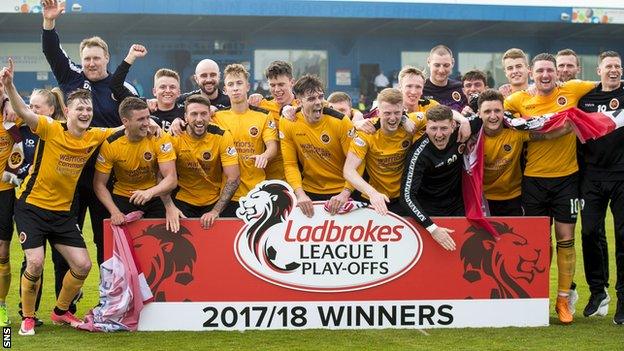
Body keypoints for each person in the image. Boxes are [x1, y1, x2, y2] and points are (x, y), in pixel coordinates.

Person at [2, 58, 122, 336]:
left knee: (83, 265)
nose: (85, 113)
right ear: (67, 111)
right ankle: (28, 318)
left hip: (62, 214)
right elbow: (23, 110)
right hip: (31, 208)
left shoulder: (94, 135)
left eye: (88, 109)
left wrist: (151, 122)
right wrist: (9, 86)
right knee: (34, 262)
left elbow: (124, 128)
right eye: (79, 108)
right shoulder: (50, 128)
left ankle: (60, 311)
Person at [504, 53, 597, 324]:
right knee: (537, 244)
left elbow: (605, 84)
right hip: (532, 180)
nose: (545, 75)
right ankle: (536, 300)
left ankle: (563, 301)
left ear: (557, 72)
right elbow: (499, 117)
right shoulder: (518, 100)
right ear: (532, 73)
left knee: (566, 240)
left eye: (550, 70)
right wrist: (542, 133)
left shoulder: (573, 89)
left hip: (567, 179)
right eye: (540, 71)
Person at [41, 0, 134, 266]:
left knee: (106, 239)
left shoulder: (121, 87)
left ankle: (108, 301)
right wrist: (49, 22)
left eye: (96, 58)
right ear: (81, 61)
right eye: (87, 59)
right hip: (69, 174)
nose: (91, 63)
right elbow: (52, 51)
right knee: (64, 239)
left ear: (107, 58)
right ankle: (65, 302)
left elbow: (135, 122)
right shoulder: (71, 77)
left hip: (106, 176)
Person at [577, 50, 624, 324]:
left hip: (621, 176)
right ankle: (598, 291)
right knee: (590, 232)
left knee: (622, 236)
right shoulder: (587, 100)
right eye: (609, 67)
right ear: (599, 71)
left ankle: (623, 299)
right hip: (592, 178)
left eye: (618, 66)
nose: (614, 70)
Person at [400, 104, 481, 251]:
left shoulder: (461, 130)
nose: (438, 135)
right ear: (426, 128)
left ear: (452, 125)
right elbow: (406, 197)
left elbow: (487, 114)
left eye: (444, 128)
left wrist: (465, 121)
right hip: (429, 217)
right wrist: (432, 228)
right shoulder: (419, 154)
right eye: (433, 129)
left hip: (459, 211)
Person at [479, 89, 571, 216]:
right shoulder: (472, 138)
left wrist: (569, 126)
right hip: (483, 199)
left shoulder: (516, 133)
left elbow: (545, 136)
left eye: (497, 111)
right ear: (479, 113)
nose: (493, 116)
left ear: (504, 112)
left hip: (514, 198)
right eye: (487, 111)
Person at [279, 74, 357, 217]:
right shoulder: (288, 122)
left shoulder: (340, 121)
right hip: (309, 192)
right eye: (311, 99)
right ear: (298, 102)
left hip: (343, 191)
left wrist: (345, 193)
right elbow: (290, 164)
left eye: (320, 97)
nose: (318, 102)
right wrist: (300, 194)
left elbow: (357, 162)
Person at [93, 97, 177, 227]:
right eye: (140, 119)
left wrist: (149, 192)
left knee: (159, 242)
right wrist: (115, 212)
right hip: (124, 197)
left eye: (147, 117)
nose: (146, 123)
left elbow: (171, 179)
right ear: (125, 122)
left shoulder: (159, 137)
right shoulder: (111, 144)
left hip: (154, 195)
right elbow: (99, 184)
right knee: (127, 244)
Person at [167, 94, 240, 229]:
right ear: (185, 117)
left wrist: (216, 211)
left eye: (203, 114)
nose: (199, 119)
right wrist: (169, 207)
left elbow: (233, 178)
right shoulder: (174, 137)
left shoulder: (222, 135)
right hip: (183, 200)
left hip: (214, 200)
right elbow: (163, 176)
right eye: (194, 114)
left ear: (209, 116)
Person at [213, 64, 277, 216]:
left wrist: (264, 156)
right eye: (231, 84)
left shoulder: (263, 115)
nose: (235, 88)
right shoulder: (216, 117)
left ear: (248, 86)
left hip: (257, 193)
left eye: (239, 83)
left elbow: (272, 147)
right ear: (225, 90)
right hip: (228, 194)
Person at [343, 88, 419, 216]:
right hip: (374, 198)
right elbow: (348, 171)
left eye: (397, 113)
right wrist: (373, 193)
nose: (393, 118)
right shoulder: (366, 132)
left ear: (403, 111)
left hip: (403, 198)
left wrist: (463, 121)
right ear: (378, 112)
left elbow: (442, 114)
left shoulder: (412, 122)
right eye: (387, 113)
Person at [110, 44, 184, 132]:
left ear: (179, 92)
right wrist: (131, 57)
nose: (167, 91)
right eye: (162, 87)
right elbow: (115, 85)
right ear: (154, 91)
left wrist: (180, 119)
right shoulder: (142, 106)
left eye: (172, 87)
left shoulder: (188, 111)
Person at [423, 45, 467, 112]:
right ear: (428, 62)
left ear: (452, 63)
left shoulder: (461, 88)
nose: (441, 70)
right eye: (437, 65)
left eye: (446, 65)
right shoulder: (420, 89)